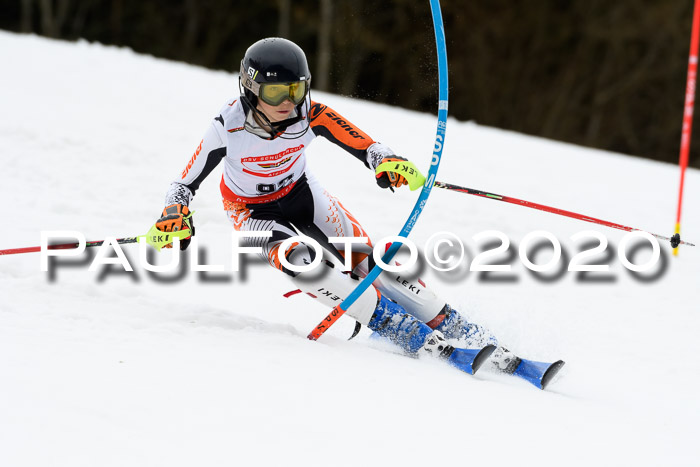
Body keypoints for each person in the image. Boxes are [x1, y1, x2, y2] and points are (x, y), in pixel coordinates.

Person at [153, 37, 562, 387]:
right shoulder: (226, 126)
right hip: (250, 211)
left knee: (368, 259)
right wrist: (175, 213)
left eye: (297, 90)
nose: (288, 103)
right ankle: (399, 329)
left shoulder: (309, 114)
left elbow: (366, 145)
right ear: (250, 88)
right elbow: (183, 183)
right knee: (302, 261)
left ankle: (458, 328)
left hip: (301, 193)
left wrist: (387, 162)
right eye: (277, 93)